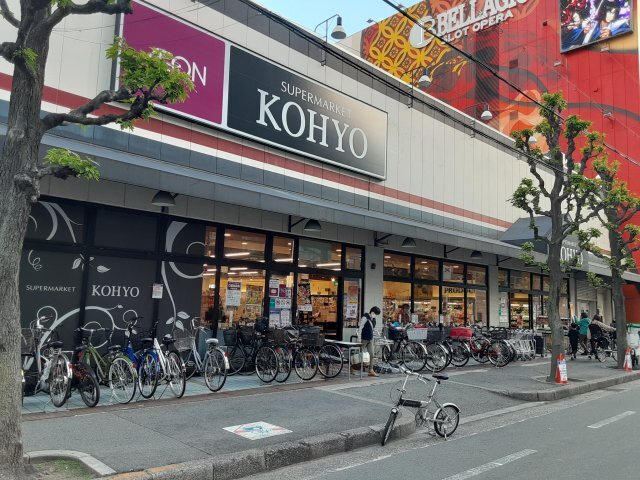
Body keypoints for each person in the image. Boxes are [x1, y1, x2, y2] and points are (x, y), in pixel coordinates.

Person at [358, 306, 381, 377]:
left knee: (371, 354)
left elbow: (372, 328)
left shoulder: (373, 319)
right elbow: (360, 327)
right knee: (361, 356)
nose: (375, 315)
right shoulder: (365, 317)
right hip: (364, 339)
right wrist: (359, 338)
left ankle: (371, 370)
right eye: (375, 314)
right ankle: (353, 367)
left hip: (370, 339)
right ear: (372, 312)